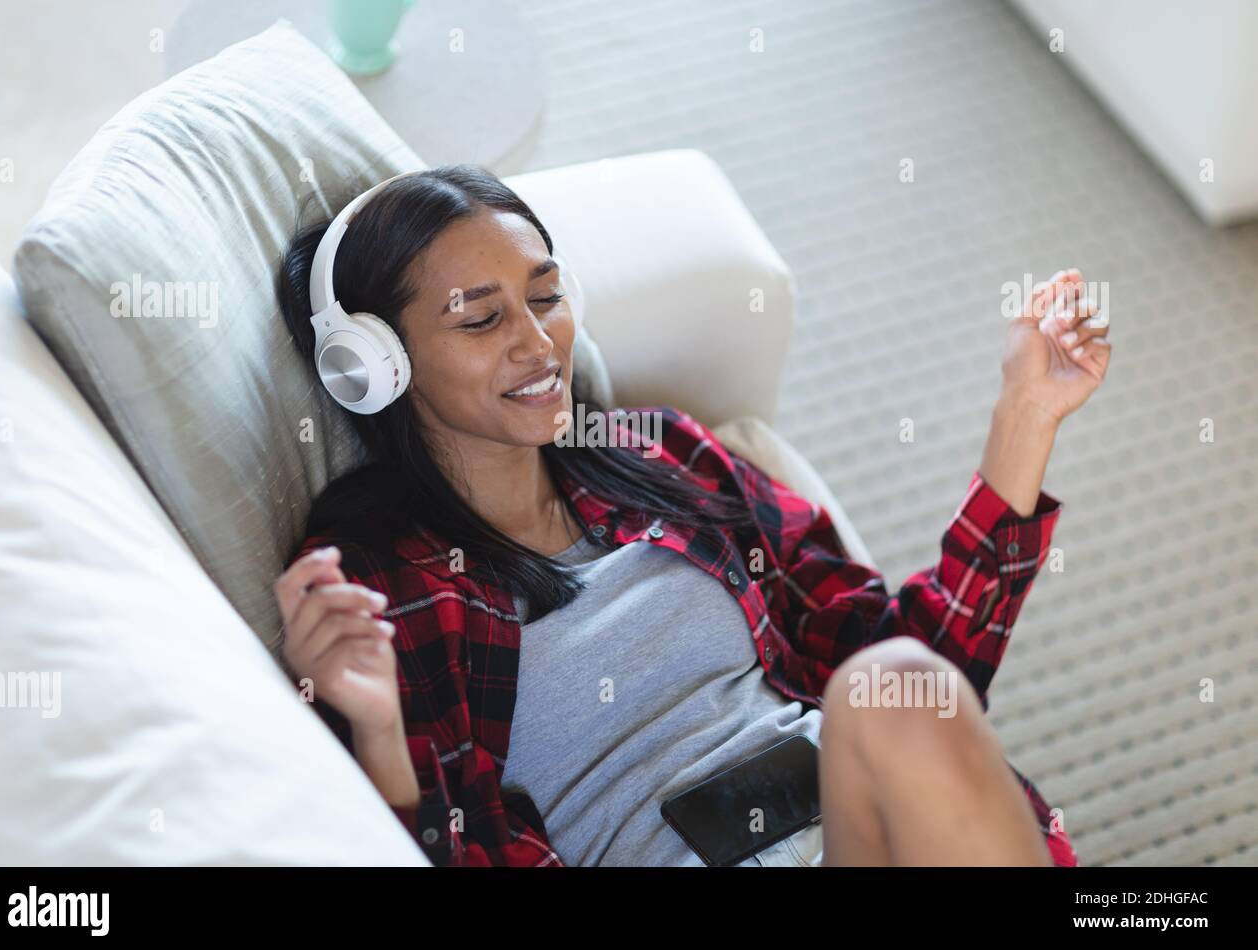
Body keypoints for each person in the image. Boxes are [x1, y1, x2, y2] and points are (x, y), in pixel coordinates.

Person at [273, 165, 1110, 866]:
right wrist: (377, 732)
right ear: (373, 364)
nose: (537, 343)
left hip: (872, 835)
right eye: (482, 318)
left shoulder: (657, 453)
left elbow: (920, 670)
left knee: (899, 684)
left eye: (547, 296)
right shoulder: (378, 583)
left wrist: (1024, 417)